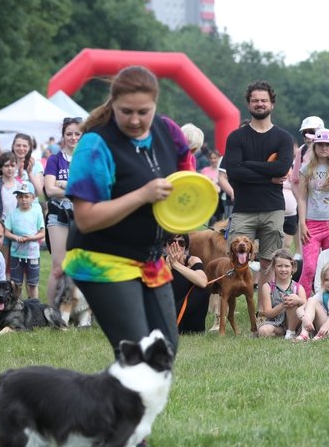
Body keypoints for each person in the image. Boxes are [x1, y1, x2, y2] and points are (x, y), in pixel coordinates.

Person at [63, 65, 182, 359]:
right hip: (103, 258)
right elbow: (86, 219)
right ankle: (108, 404)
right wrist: (142, 195)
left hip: (151, 258)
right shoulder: (95, 144)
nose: (135, 120)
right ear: (112, 104)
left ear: (155, 105)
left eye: (144, 112)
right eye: (126, 111)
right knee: (137, 353)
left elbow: (184, 169)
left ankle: (122, 404)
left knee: (164, 350)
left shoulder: (166, 131)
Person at [223, 80, 295, 290]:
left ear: (272, 104)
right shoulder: (236, 137)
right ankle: (225, 309)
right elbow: (234, 172)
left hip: (272, 208)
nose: (260, 104)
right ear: (248, 104)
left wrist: (247, 166)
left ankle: (264, 309)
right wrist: (267, 176)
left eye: (264, 100)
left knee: (268, 262)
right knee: (234, 260)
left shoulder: (283, 137)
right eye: (255, 100)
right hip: (243, 209)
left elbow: (281, 169)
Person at [296, 128, 329, 295]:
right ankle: (302, 300)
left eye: (327, 144)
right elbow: (302, 198)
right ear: (314, 146)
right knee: (310, 266)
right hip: (311, 224)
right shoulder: (305, 170)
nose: (324, 148)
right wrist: (302, 223)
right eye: (320, 145)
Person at [44, 117, 82, 305]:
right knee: (58, 267)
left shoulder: (87, 159)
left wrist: (64, 184)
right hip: (58, 216)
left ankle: (77, 310)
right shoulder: (55, 159)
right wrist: (75, 188)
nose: (73, 137)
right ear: (63, 136)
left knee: (81, 265)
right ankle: (50, 310)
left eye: (77, 133)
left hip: (83, 217)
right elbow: (49, 190)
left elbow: (91, 188)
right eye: (69, 134)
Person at [4, 185, 45, 300]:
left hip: (32, 254)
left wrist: (31, 238)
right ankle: (18, 304)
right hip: (16, 254)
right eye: (20, 197)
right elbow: (6, 232)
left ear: (33, 198)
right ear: (17, 198)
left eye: (26, 196)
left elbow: (42, 233)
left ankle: (34, 304)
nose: (23, 199)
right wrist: (15, 237)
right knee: (16, 284)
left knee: (32, 283)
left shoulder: (37, 213)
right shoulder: (13, 214)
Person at [165, 233, 210, 335]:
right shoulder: (160, 261)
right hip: (169, 314)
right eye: (172, 242)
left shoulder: (192, 260)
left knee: (202, 289)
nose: (177, 246)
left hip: (189, 317)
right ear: (166, 246)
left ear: (185, 247)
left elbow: (203, 282)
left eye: (181, 243)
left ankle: (191, 328)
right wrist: (168, 267)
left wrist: (176, 265)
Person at [257, 248, 306, 338]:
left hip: (295, 323)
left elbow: (306, 306)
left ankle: (291, 331)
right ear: (273, 267)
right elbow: (268, 313)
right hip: (275, 323)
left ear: (292, 267)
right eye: (279, 266)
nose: (283, 269)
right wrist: (283, 305)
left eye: (287, 266)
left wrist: (298, 300)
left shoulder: (298, 288)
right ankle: (282, 332)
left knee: (293, 301)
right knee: (263, 331)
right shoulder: (267, 287)